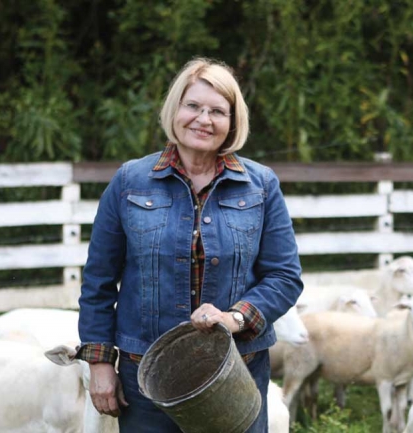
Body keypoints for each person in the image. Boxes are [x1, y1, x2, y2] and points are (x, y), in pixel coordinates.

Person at [76, 57, 303, 432]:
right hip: (148, 377)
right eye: (193, 106)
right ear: (175, 109)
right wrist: (100, 363)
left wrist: (234, 318)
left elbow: (284, 276)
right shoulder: (130, 181)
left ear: (232, 122)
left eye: (218, 111)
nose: (203, 119)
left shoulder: (261, 186)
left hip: (236, 373)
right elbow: (99, 281)